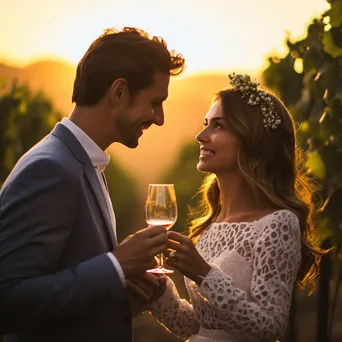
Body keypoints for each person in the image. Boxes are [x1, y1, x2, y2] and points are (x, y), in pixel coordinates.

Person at [0, 27, 185, 342]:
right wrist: (115, 265)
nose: (159, 118)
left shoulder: (84, 163)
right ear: (119, 92)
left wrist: (121, 295)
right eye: (155, 102)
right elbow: (8, 300)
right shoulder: (51, 169)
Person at [143, 73, 325, 342]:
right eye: (205, 124)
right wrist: (161, 294)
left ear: (251, 138)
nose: (200, 136)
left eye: (217, 126)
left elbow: (269, 327)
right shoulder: (210, 226)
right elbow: (198, 327)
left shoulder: (277, 223)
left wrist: (203, 274)